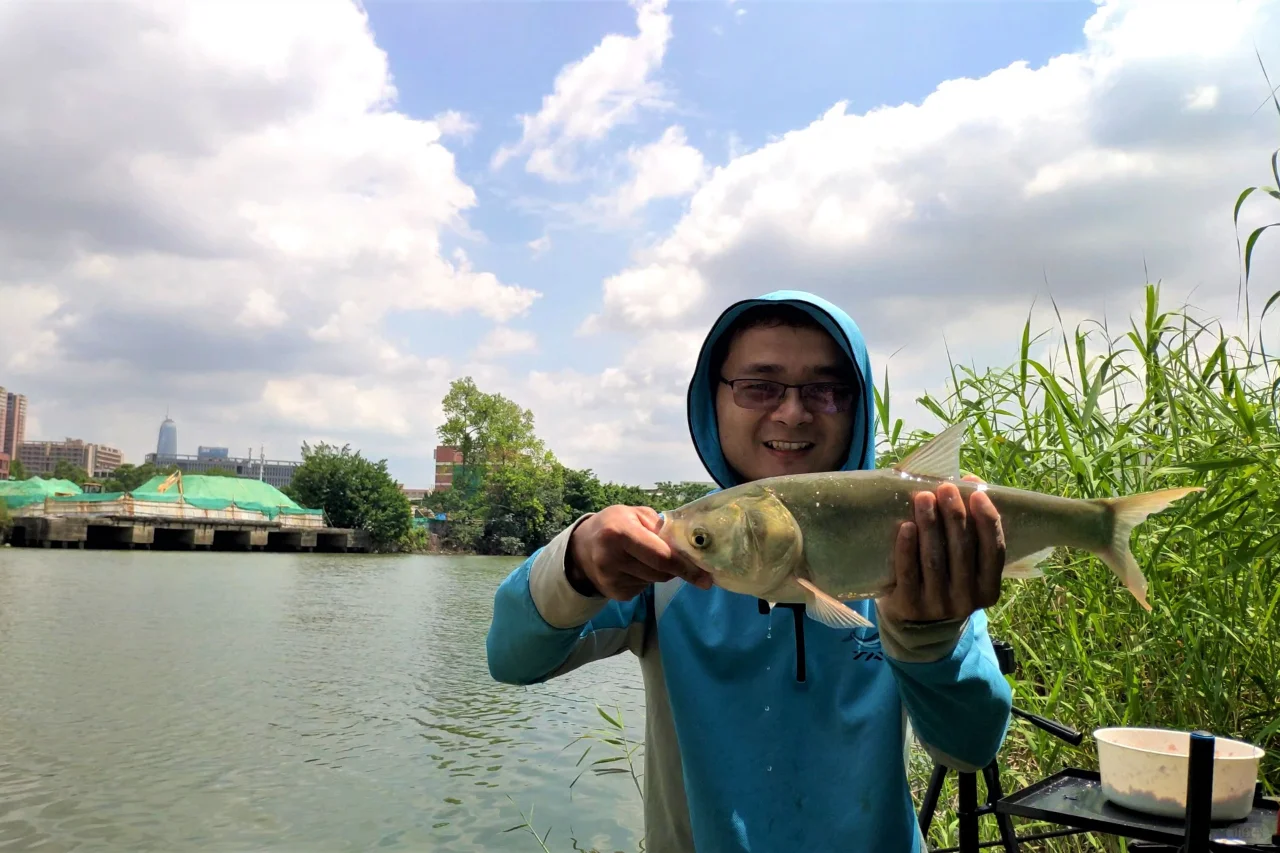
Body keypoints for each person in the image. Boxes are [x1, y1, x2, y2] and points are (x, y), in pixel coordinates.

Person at [486, 290, 1013, 853]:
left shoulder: (918, 543)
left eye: (826, 390)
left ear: (858, 407)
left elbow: (969, 747)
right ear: (712, 402)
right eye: (759, 386)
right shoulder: (665, 554)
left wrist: (927, 634)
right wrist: (578, 562)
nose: (792, 411)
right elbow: (512, 659)